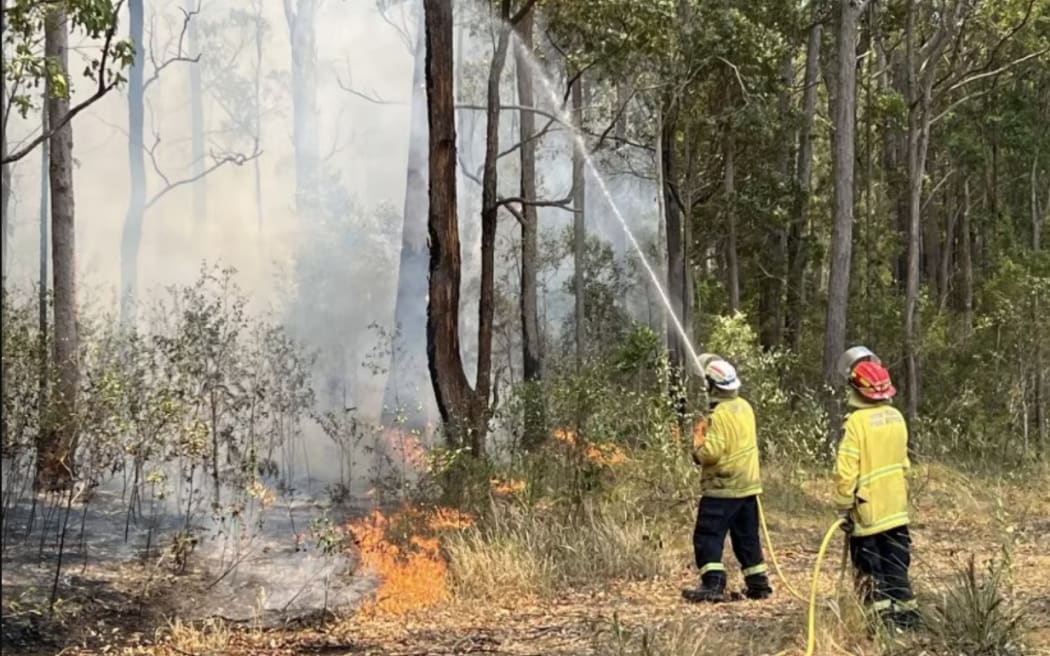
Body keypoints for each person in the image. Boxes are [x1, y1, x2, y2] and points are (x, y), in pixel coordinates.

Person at [834, 356, 919, 630]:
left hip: (868, 513)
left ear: (857, 390)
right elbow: (904, 464)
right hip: (896, 510)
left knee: (871, 570)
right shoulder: (896, 417)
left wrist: (844, 505)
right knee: (896, 566)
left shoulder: (856, 423)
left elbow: (846, 471)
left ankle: (879, 624)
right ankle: (906, 619)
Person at [682, 357, 772, 603]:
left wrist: (697, 443)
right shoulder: (745, 407)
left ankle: (713, 584)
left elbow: (711, 453)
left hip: (722, 488)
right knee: (747, 537)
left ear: (712, 386)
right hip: (748, 487)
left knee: (707, 535)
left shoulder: (718, 415)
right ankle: (758, 584)